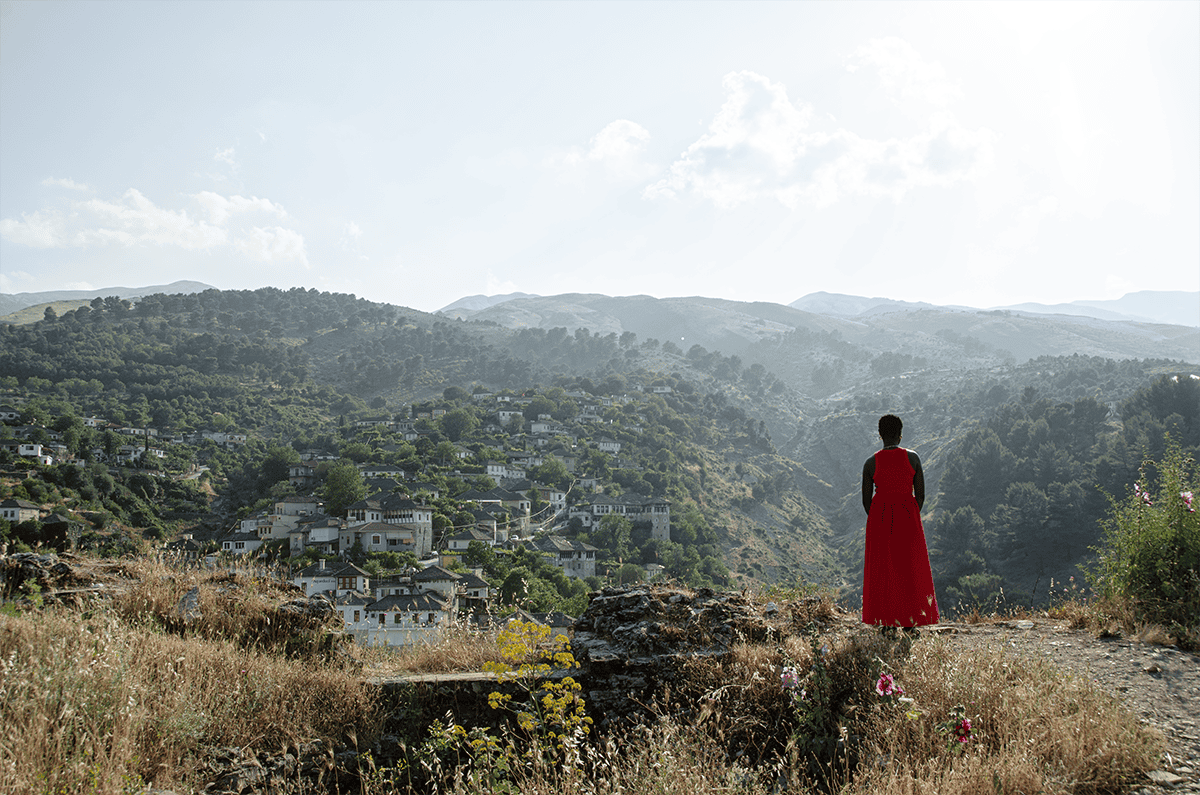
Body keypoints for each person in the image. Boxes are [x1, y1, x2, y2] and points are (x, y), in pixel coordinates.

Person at [861, 414, 939, 629]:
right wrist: (910, 513)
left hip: (880, 518)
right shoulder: (913, 458)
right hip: (908, 515)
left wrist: (880, 518)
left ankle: (886, 622)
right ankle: (911, 620)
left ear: (880, 435)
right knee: (909, 567)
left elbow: (866, 501)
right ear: (901, 435)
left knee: (885, 569)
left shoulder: (870, 463)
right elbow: (921, 495)